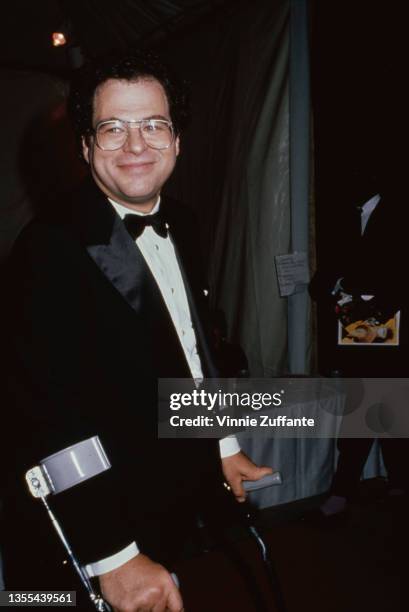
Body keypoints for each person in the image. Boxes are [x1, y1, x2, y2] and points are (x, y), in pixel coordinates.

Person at [2, 51, 272, 611]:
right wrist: (114, 556)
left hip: (169, 490)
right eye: (112, 128)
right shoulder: (46, 249)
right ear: (84, 147)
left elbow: (194, 348)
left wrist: (222, 445)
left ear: (177, 141)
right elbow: (49, 418)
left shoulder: (188, 223)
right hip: (94, 519)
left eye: (153, 125)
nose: (135, 145)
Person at [309, 168, 408, 518]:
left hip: (392, 332)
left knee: (377, 405)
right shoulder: (342, 218)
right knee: (373, 404)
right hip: (356, 333)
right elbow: (321, 280)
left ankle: (345, 490)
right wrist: (338, 289)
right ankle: (391, 483)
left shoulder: (398, 214)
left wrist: (376, 303)